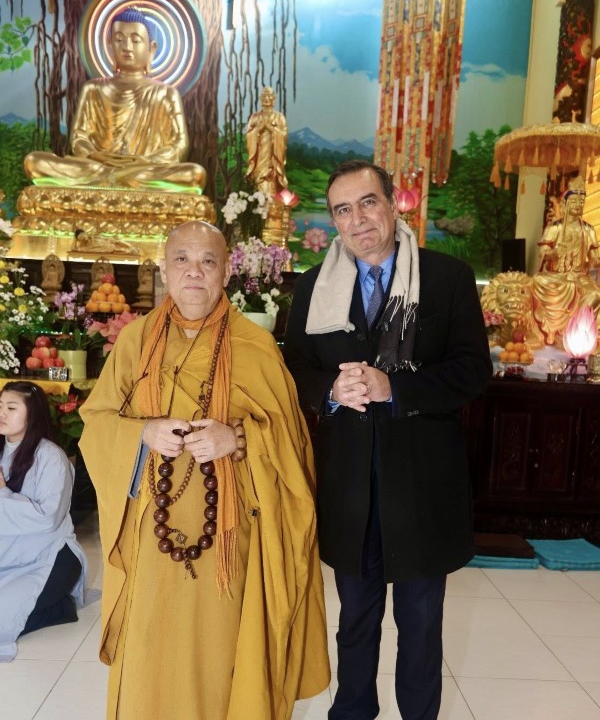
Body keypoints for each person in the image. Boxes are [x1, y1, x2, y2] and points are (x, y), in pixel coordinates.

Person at [79, 221, 330, 720]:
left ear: (225, 273)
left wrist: (236, 439)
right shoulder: (135, 341)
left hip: (227, 539)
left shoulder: (255, 345)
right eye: (182, 259)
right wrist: (143, 433)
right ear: (163, 270)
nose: (194, 272)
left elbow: (292, 444)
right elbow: (97, 420)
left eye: (207, 261)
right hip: (152, 535)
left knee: (219, 660)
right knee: (148, 653)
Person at [284, 160, 492, 720]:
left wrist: (394, 388)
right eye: (342, 210)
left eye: (368, 202)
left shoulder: (447, 278)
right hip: (349, 483)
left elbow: (473, 371)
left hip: (422, 483)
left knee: (420, 622)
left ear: (393, 203)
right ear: (333, 221)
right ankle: (352, 711)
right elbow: (294, 368)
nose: (357, 219)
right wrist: (330, 389)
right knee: (355, 618)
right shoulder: (314, 287)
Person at [23, 7, 205, 191]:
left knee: (194, 175)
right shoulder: (94, 88)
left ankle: (115, 179)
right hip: (98, 166)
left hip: (143, 169)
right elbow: (79, 138)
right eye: (119, 39)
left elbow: (179, 144)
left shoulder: (165, 93)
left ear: (151, 49)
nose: (127, 47)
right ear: (110, 45)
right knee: (34, 162)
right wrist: (95, 155)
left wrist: (145, 160)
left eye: (136, 40)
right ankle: (116, 178)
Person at [0, 381, 87, 662]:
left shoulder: (51, 457)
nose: (2, 413)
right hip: (8, 555)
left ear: (33, 414)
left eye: (11, 407)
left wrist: (3, 493)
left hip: (51, 559)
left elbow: (48, 519)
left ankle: (59, 607)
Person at [533, 175, 600, 344]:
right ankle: (550, 330)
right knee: (536, 281)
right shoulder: (555, 227)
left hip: (579, 276)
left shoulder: (588, 230)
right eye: (574, 201)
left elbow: (594, 258)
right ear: (566, 203)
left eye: (581, 202)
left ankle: (575, 330)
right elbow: (542, 252)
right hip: (557, 276)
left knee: (595, 294)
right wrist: (554, 253)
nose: (578, 205)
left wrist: (595, 261)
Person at [245, 86, 288, 194]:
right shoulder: (254, 117)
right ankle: (258, 200)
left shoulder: (280, 117)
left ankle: (271, 201)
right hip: (259, 158)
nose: (266, 98)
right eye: (264, 96)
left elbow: (284, 136)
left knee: (271, 185)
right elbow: (249, 135)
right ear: (260, 98)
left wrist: (270, 128)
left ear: (274, 98)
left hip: (272, 160)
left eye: (269, 95)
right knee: (258, 181)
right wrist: (259, 128)